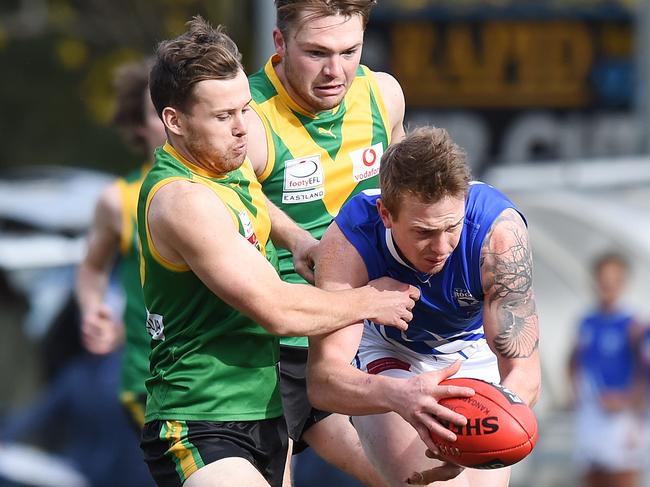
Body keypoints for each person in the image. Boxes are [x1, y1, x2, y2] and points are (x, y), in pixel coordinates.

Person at [138, 16, 419, 487]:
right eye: (223, 117)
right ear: (175, 122)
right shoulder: (183, 199)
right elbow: (275, 309)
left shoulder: (227, 168)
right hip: (201, 420)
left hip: (266, 411)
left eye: (245, 110)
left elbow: (263, 210)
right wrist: (373, 300)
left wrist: (297, 239)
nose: (242, 129)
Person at [307, 127, 541, 486]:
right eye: (423, 232)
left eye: (452, 227)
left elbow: (524, 371)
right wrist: (398, 395)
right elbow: (323, 382)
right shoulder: (349, 240)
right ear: (385, 214)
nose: (442, 246)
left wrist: (476, 438)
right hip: (388, 348)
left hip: (468, 349)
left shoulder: (499, 234)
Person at [246, 0, 406, 482]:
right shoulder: (246, 116)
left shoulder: (383, 95)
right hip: (275, 344)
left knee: (407, 477)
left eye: (349, 50)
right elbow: (229, 196)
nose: (336, 71)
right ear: (280, 43)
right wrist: (296, 237)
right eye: (316, 53)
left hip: (365, 330)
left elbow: (408, 192)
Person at [76, 57, 166, 431]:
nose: (170, 120)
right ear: (139, 126)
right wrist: (95, 310)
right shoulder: (119, 199)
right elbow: (92, 269)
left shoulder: (240, 185)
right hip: (152, 382)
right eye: (156, 112)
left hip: (236, 378)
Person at [568, 252, 647, 487]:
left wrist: (628, 399)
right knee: (593, 475)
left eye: (613, 280)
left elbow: (646, 370)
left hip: (622, 418)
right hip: (591, 413)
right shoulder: (587, 321)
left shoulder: (635, 323)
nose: (607, 285)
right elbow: (572, 360)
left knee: (621, 476)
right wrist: (574, 393)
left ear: (623, 282)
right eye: (603, 279)